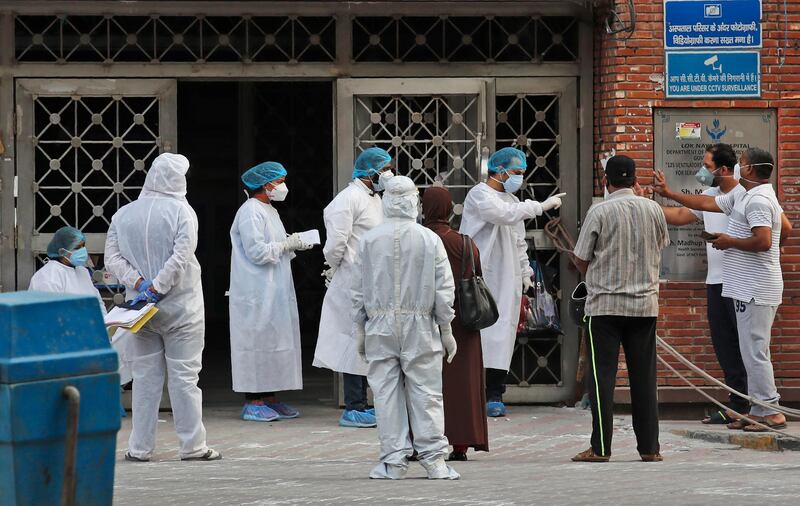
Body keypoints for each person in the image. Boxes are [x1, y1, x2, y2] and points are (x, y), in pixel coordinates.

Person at [654, 147, 792, 432]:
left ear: (750, 169)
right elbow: (705, 204)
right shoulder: (743, 195)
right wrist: (666, 194)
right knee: (745, 349)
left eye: (742, 163)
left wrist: (731, 242)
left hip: (755, 287)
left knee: (754, 351)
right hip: (741, 286)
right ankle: (754, 408)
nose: (739, 166)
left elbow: (765, 241)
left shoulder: (759, 200)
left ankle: (771, 411)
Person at [105, 152, 220, 462]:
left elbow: (111, 259)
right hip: (181, 308)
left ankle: (139, 448)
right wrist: (159, 285)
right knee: (184, 377)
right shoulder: (183, 212)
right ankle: (193, 446)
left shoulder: (124, 214)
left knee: (144, 378)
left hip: (141, 310)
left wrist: (141, 283)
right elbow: (182, 255)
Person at [352, 175, 459, 480]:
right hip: (420, 324)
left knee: (385, 395)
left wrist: (360, 327)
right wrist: (446, 328)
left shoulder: (369, 240)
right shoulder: (429, 239)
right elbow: (443, 289)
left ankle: (393, 461)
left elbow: (357, 289)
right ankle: (435, 461)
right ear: (414, 202)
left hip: (380, 325)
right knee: (426, 393)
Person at [571, 155, 669, 463]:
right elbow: (660, 245)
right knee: (644, 378)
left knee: (602, 379)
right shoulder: (653, 209)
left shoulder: (599, 210)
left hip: (605, 307)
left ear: (606, 181)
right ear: (634, 180)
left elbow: (581, 258)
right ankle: (650, 448)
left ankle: (601, 448)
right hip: (644, 306)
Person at [459, 147, 565, 417]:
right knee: (477, 336)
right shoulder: (480, 195)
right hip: (480, 275)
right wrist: (540, 206)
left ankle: (495, 393)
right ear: (499, 170)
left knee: (503, 335)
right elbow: (502, 215)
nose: (519, 177)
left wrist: (526, 271)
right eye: (516, 172)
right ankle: (472, 393)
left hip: (507, 278)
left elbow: (518, 239)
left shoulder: (511, 200)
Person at [659, 143, 749, 424]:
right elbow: (679, 216)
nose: (702, 171)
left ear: (723, 169)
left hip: (742, 283)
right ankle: (737, 404)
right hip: (716, 282)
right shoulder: (710, 194)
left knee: (747, 346)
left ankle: (756, 405)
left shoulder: (742, 195)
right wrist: (644, 202)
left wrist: (670, 193)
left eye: (707, 166)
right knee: (725, 346)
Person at [314, 147, 393, 428]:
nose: (387, 174)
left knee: (370, 342)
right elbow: (336, 243)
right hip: (353, 279)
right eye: (384, 169)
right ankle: (354, 405)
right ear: (370, 172)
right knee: (354, 340)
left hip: (375, 280)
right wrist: (335, 268)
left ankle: (365, 401)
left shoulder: (375, 199)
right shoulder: (347, 199)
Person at [229, 161, 312, 422]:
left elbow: (274, 244)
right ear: (266, 184)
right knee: (256, 344)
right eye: (280, 181)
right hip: (255, 291)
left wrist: (293, 243)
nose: (283, 186)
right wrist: (287, 244)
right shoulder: (250, 211)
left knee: (274, 342)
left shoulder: (270, 210)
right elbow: (256, 252)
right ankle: (253, 400)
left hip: (273, 288)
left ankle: (270, 397)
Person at [422, 184, 489, 462]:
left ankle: (421, 442)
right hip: (462, 319)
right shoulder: (463, 242)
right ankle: (460, 444)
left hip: (423, 318)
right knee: (463, 382)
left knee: (422, 383)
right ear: (450, 209)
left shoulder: (419, 240)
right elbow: (476, 273)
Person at [29, 226, 104, 312]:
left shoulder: (82, 271)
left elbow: (97, 303)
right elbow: (50, 315)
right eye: (77, 247)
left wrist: (105, 322)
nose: (83, 250)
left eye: (83, 246)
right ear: (62, 251)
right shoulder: (48, 276)